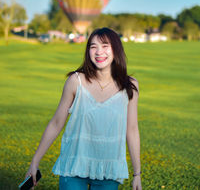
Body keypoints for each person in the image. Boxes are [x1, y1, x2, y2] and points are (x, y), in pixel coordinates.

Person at [25, 27, 142, 190]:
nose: (99, 52)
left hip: (108, 170)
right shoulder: (75, 81)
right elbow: (56, 123)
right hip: (73, 166)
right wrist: (35, 161)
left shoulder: (129, 85)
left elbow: (132, 129)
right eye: (93, 47)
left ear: (116, 49)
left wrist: (137, 174)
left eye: (105, 45)